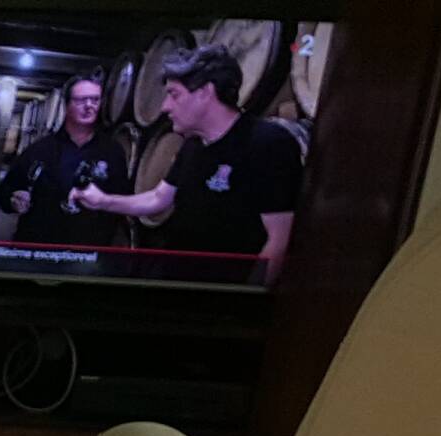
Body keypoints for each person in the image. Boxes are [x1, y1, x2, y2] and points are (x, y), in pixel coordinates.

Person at [78, 45, 304, 285]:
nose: (165, 106)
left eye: (174, 94)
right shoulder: (193, 146)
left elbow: (279, 240)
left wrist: (245, 300)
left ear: (205, 92)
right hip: (179, 281)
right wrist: (104, 201)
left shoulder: (266, 143)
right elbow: (159, 198)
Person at [0, 74, 130, 251]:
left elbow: (122, 199)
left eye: (95, 100)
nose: (89, 106)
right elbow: (5, 191)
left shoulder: (112, 151)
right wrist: (14, 198)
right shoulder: (41, 149)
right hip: (39, 248)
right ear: (66, 105)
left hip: (88, 252)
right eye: (81, 100)